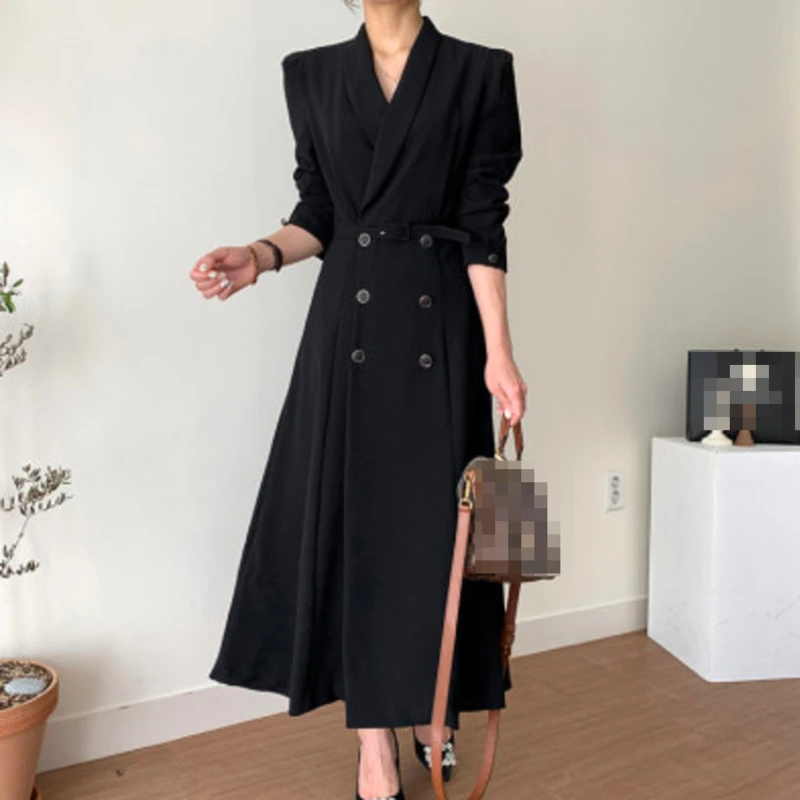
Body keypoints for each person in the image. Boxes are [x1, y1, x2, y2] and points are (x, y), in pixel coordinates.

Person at [189, 2, 527, 798]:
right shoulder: (310, 75)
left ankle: (434, 704)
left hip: (440, 330)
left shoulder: (482, 71)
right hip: (347, 332)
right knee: (357, 534)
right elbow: (321, 212)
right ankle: (375, 749)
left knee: (439, 536)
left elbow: (482, 221)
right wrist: (261, 255)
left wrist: (500, 352)